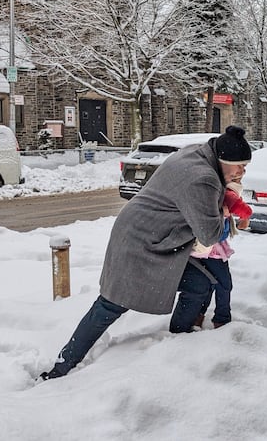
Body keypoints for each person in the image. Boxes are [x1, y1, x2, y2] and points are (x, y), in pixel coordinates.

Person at [39, 125, 252, 380]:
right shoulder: (202, 177)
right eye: (238, 165)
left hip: (155, 237)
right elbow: (209, 234)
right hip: (139, 243)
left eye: (245, 165)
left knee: (199, 284)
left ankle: (178, 343)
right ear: (221, 159)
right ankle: (62, 367)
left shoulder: (198, 153)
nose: (243, 171)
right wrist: (229, 215)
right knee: (110, 304)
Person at [191, 180, 252, 330]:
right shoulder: (228, 193)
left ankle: (197, 315)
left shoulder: (210, 188)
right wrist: (245, 218)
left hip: (198, 248)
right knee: (224, 284)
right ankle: (222, 319)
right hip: (212, 251)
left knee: (208, 283)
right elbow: (245, 210)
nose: (240, 174)